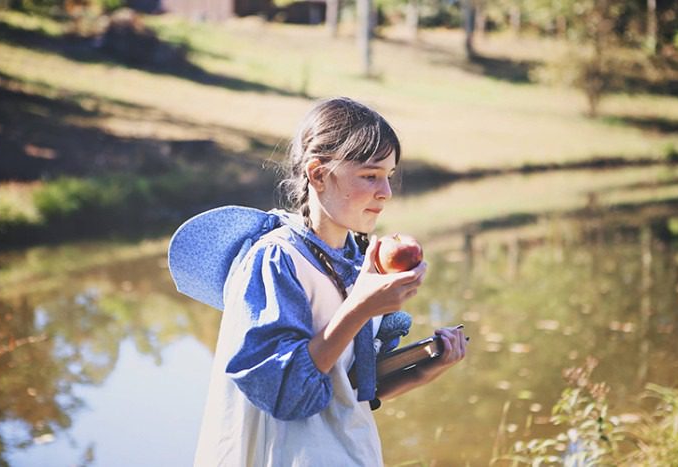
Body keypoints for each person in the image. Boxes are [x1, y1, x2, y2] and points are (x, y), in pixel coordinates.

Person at [178, 97, 467, 466]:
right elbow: (286, 395)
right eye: (370, 176)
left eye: (389, 176)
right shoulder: (278, 260)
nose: (386, 192)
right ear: (317, 174)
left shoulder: (357, 261)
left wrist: (424, 369)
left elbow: (346, 386)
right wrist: (360, 307)